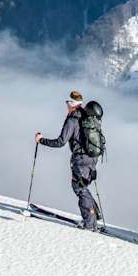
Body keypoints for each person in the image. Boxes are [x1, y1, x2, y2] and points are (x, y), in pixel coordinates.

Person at [35, 90, 101, 232]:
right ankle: (93, 215)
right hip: (92, 157)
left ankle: (90, 223)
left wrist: (41, 141)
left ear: (71, 104)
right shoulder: (86, 116)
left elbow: (60, 142)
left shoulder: (73, 120)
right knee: (83, 186)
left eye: (67, 102)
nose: (66, 105)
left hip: (81, 158)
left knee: (79, 188)